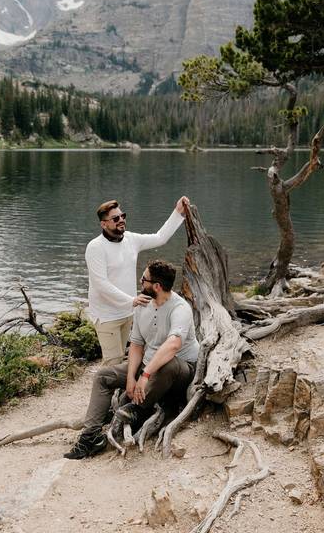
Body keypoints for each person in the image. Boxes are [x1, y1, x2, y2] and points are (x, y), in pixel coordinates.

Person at [65, 260, 199, 459]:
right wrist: (130, 377)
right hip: (148, 365)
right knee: (103, 376)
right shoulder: (142, 305)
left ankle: (138, 410)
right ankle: (90, 437)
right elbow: (136, 344)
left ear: (157, 286)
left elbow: (173, 346)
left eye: (143, 279)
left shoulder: (180, 308)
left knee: (167, 364)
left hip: (179, 370)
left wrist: (144, 375)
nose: (140, 281)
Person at [85, 196, 189, 365]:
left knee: (121, 359)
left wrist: (178, 212)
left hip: (128, 312)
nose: (121, 220)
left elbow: (160, 237)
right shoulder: (95, 247)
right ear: (103, 224)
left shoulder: (131, 239)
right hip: (106, 315)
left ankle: (119, 389)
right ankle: (103, 390)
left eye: (123, 216)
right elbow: (101, 284)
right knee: (113, 361)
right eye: (115, 218)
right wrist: (132, 300)